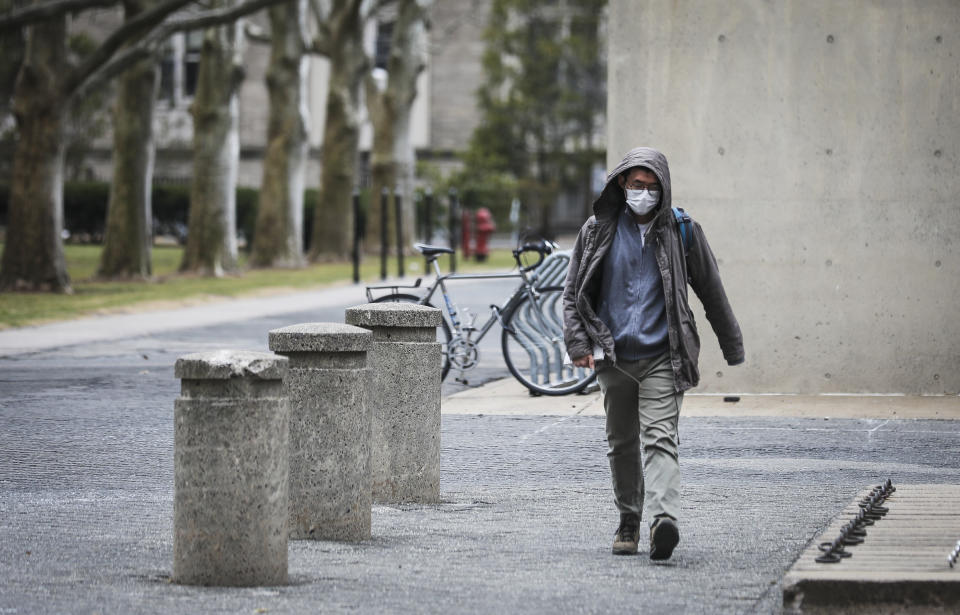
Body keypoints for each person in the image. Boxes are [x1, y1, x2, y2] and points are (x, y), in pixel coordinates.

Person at [562, 146, 744, 561]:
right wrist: (577, 344)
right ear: (622, 183)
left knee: (660, 437)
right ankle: (629, 520)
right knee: (621, 442)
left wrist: (731, 344)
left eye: (652, 186)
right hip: (613, 358)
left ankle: (664, 520)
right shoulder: (597, 229)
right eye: (636, 185)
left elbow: (712, 292)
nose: (643, 193)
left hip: (665, 354)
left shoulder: (683, 229)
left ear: (664, 189)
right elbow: (573, 293)